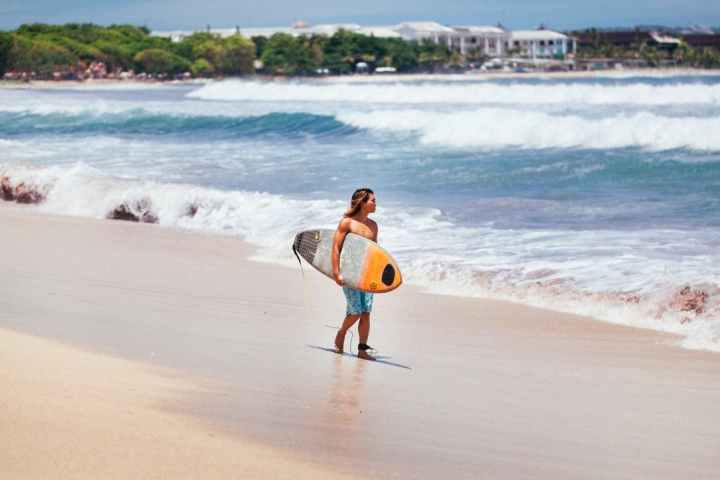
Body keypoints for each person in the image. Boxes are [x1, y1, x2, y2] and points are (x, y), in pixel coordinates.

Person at [332, 188, 378, 360]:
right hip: (350, 272)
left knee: (366, 312)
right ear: (362, 202)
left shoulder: (373, 226)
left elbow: (375, 253)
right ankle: (341, 333)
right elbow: (336, 247)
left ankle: (362, 350)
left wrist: (377, 275)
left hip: (367, 274)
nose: (375, 203)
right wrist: (337, 272)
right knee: (356, 311)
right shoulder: (347, 223)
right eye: (372, 200)